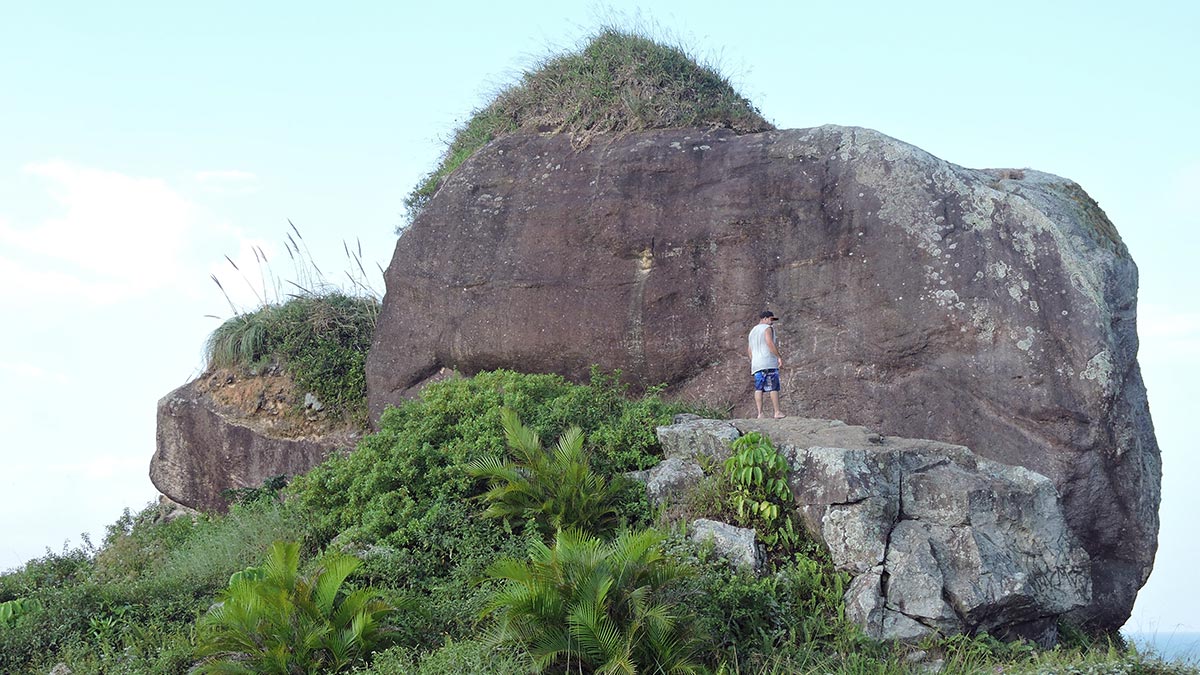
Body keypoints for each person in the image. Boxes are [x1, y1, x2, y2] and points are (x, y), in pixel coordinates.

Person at [747, 310, 785, 419]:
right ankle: (777, 412)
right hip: (768, 361)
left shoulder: (752, 331)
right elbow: (769, 342)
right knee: (773, 386)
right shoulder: (767, 328)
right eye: (771, 319)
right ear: (764, 318)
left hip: (756, 364)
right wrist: (778, 356)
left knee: (759, 388)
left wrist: (754, 361)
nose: (772, 322)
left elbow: (749, 349)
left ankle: (760, 413)